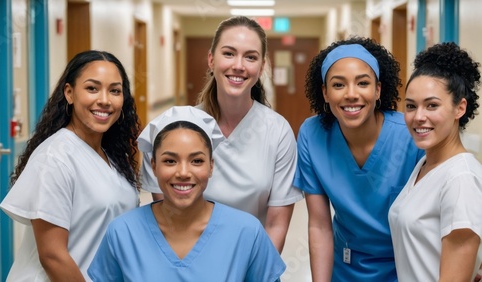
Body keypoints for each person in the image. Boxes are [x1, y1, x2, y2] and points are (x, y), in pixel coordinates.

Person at [140, 16, 303, 252]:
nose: (239, 65)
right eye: (228, 53)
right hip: (184, 259)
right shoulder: (178, 127)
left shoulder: (277, 131)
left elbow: (276, 224)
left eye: (250, 57)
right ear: (211, 59)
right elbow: (165, 217)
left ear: (262, 66)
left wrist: (257, 274)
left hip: (252, 262)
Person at [88, 106, 286, 281]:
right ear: (154, 166)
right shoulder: (123, 233)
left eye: (196, 161)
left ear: (211, 166)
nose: (183, 173)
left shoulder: (247, 233)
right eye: (170, 161)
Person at [0, 50, 140, 281]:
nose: (104, 100)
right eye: (92, 88)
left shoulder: (111, 154)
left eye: (114, 90)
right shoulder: (55, 158)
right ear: (69, 93)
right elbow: (53, 256)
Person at [294, 37, 424, 281]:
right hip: (345, 266)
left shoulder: (410, 135)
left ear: (377, 90)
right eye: (338, 85)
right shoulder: (312, 135)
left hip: (408, 266)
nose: (351, 95)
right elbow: (320, 226)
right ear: (325, 92)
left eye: (363, 83)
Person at [388, 42, 482, 281]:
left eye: (432, 105)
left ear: (460, 107)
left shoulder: (460, 178)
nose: (419, 117)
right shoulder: (426, 166)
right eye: (411, 106)